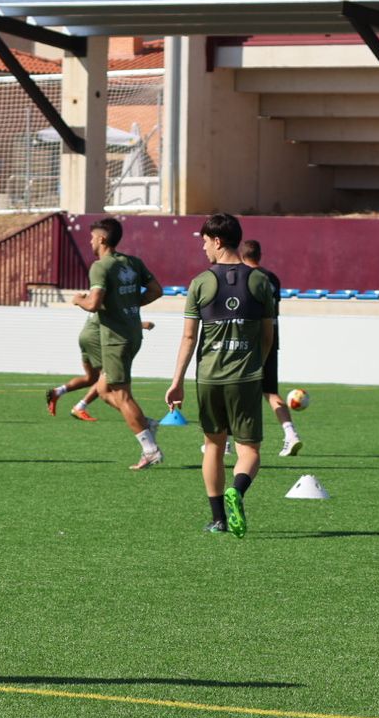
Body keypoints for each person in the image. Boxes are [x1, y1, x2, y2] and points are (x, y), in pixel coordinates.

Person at [164, 213, 278, 536]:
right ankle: (237, 491)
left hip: (209, 378)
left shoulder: (200, 283)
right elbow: (268, 335)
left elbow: (189, 338)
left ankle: (218, 520)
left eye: (203, 242)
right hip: (246, 378)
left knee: (213, 446)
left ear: (217, 241)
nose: (203, 249)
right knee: (250, 450)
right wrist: (255, 364)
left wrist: (177, 382)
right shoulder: (260, 281)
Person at [71, 217, 163, 469]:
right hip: (133, 333)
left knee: (121, 395)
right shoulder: (132, 262)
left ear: (101, 238)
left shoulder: (101, 266)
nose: (90, 241)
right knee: (102, 390)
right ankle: (145, 422)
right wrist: (130, 304)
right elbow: (156, 290)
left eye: (92, 237)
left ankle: (150, 449)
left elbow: (92, 303)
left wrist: (78, 299)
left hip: (115, 339)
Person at [240, 239, 303, 457]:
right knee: (270, 392)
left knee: (236, 390)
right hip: (272, 338)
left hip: (249, 340)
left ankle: (227, 441)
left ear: (241, 256)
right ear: (260, 255)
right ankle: (291, 434)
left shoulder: (246, 277)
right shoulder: (272, 278)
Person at [46, 317, 156, 421]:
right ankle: (80, 407)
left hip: (86, 334)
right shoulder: (116, 298)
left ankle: (58, 391)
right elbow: (115, 318)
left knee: (92, 378)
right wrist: (140, 325)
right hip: (96, 336)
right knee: (106, 375)